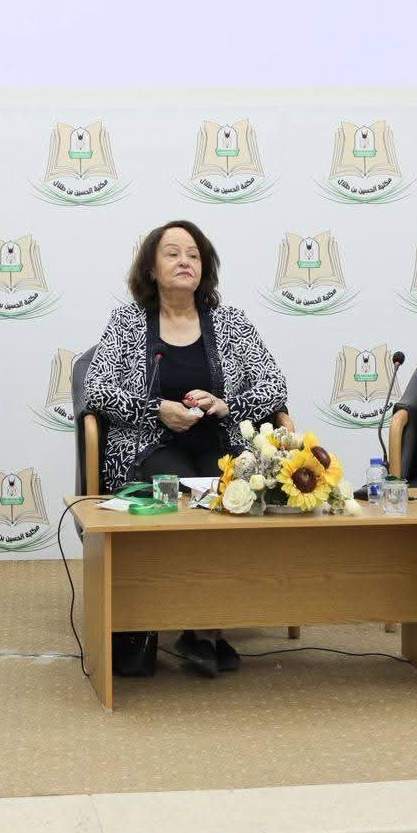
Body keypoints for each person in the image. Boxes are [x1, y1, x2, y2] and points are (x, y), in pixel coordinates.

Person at [84, 220, 288, 679]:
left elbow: (274, 385)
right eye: (173, 253)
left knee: (234, 494)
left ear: (205, 268)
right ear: (151, 269)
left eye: (193, 255)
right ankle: (180, 621)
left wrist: (226, 404)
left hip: (222, 443)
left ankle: (203, 627)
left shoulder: (231, 323)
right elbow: (96, 390)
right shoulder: (127, 323)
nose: (184, 262)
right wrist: (158, 409)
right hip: (146, 447)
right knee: (182, 494)